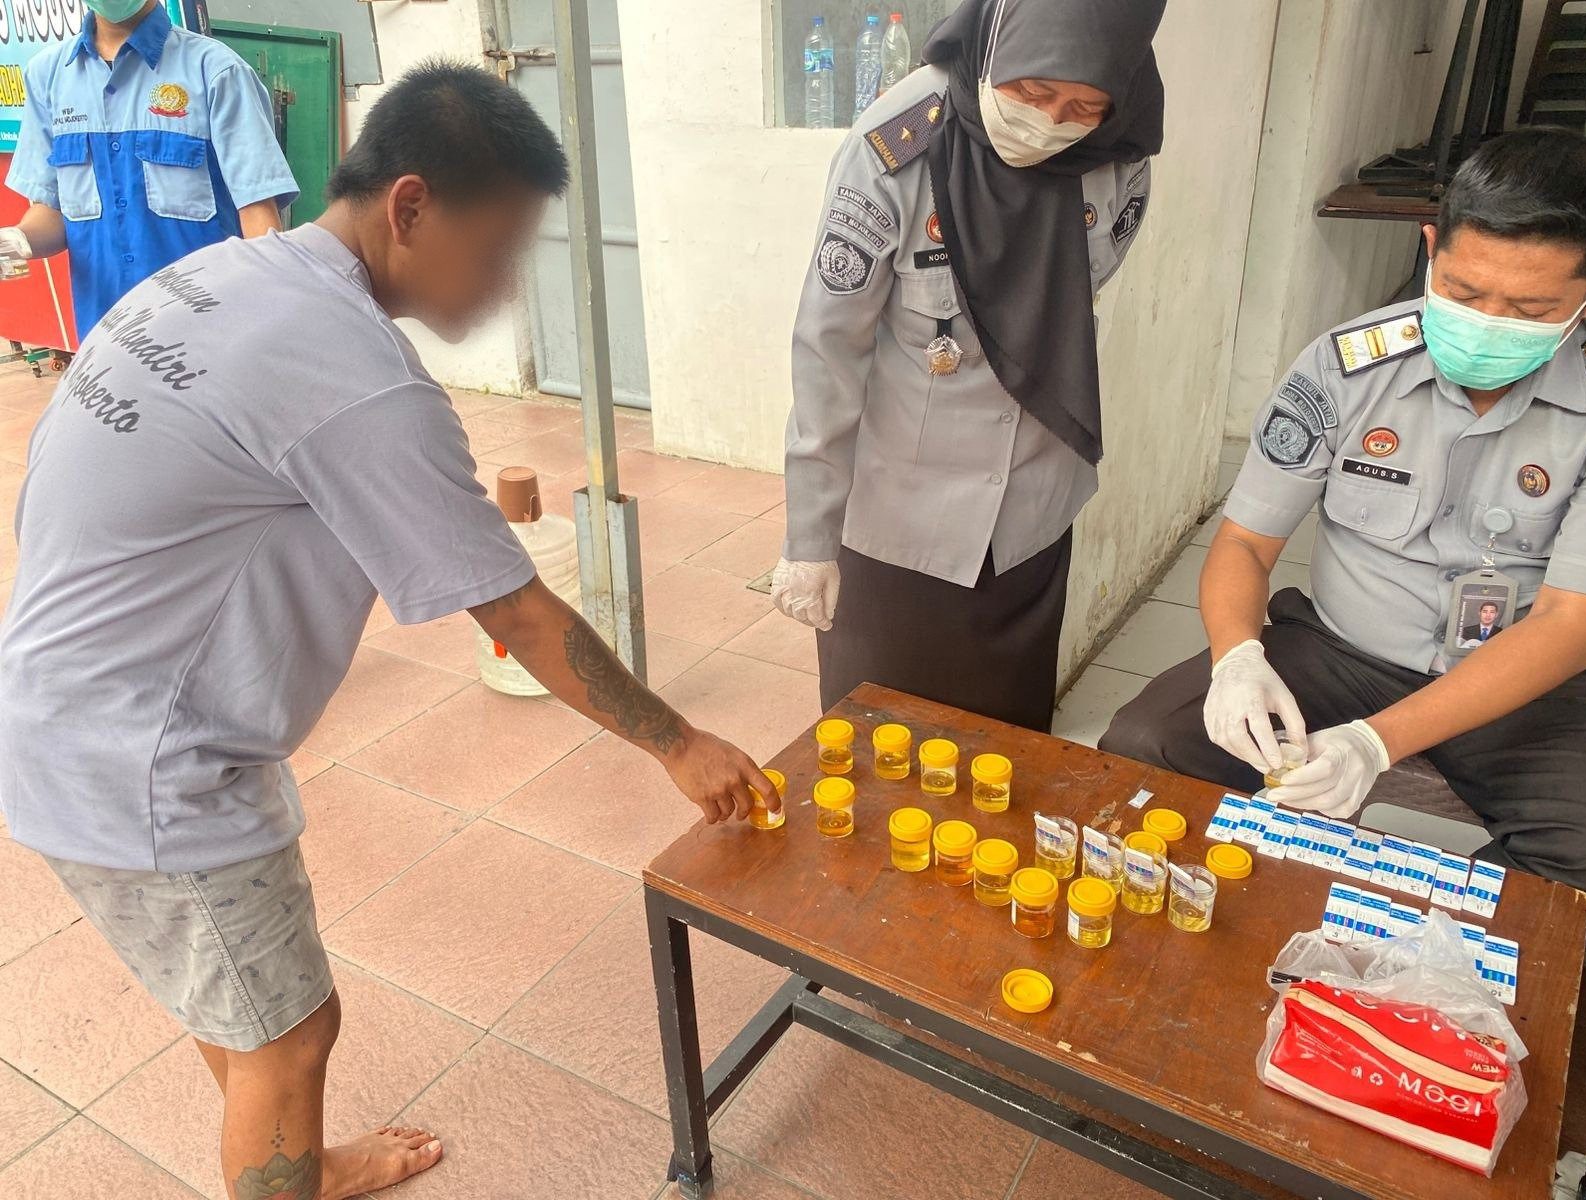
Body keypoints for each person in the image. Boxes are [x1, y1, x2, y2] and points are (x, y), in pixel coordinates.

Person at [0, 62, 779, 1200]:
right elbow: (513, 611)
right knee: (291, 1033)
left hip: (60, 714)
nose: (504, 287)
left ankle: (301, 1165)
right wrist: (679, 742)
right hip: (148, 765)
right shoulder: (359, 377)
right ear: (409, 206)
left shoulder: (215, 278)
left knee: (242, 1000)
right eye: (497, 248)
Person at [1100, 128, 1586, 945]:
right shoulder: (1347, 367)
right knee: (1146, 743)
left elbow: (1570, 623)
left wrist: (1376, 743)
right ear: (1431, 247)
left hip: (1519, 676)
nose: (1488, 323)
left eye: (1531, 310)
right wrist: (1236, 658)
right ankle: (1257, 921)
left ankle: (1412, 950)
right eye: (1464, 290)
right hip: (1342, 649)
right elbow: (1245, 545)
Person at [771, 0, 1166, 731]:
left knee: (1009, 749)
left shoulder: (1122, 152)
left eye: (1083, 107)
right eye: (1032, 92)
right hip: (901, 525)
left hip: (1030, 520)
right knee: (879, 747)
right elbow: (829, 346)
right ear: (996, 47)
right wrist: (810, 538)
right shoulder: (896, 147)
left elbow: (1083, 291)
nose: (1050, 122)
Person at [0, 0, 296, 339]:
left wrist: (276, 317)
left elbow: (258, 213)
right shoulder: (47, 76)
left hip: (209, 336)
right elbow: (53, 211)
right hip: (105, 340)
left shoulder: (217, 71)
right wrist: (15, 241)